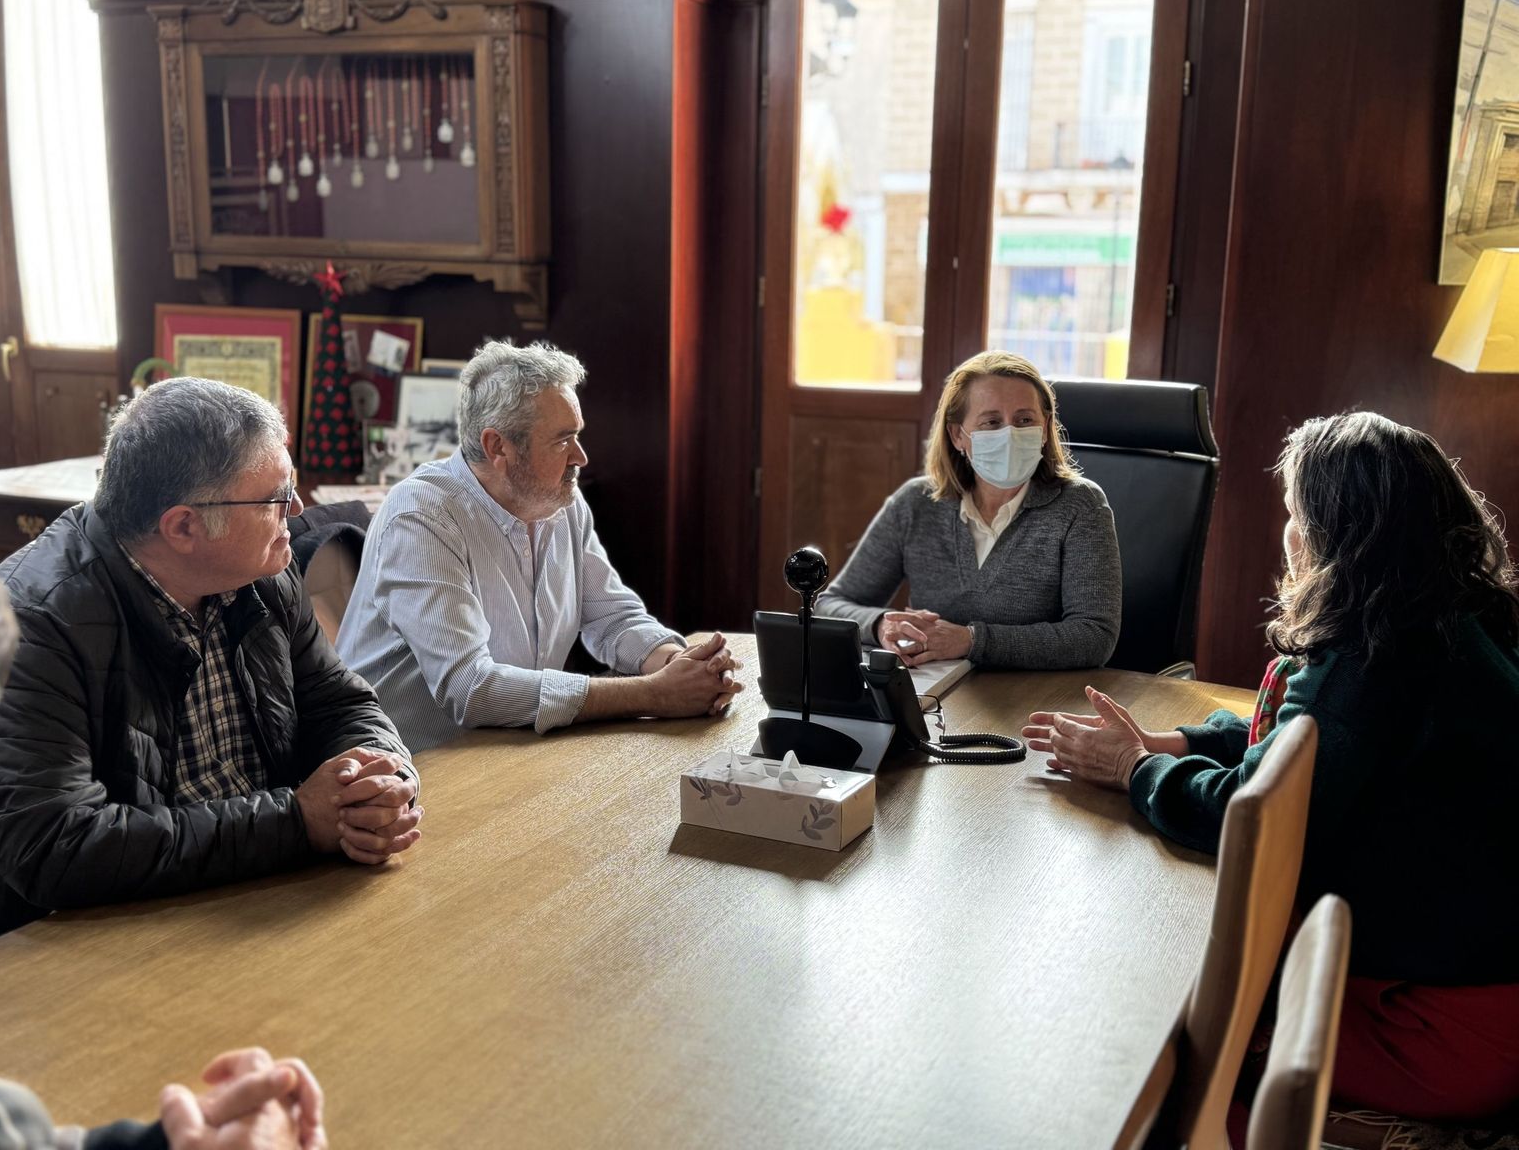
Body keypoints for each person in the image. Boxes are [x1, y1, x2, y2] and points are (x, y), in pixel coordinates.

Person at [1024, 411, 1519, 1123]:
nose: (1285, 533)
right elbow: (1302, 739)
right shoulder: (1439, 619)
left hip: (1438, 1029)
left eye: (1294, 515)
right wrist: (1181, 744)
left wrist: (1136, 767)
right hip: (1476, 992)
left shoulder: (1370, 656)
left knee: (1162, 1049)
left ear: (1339, 531)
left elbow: (1254, 817)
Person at [0, 378, 421, 969]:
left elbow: (339, 702)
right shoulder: (31, 621)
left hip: (244, 902)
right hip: (54, 948)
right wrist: (296, 822)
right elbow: (53, 844)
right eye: (276, 497)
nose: (298, 511)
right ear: (183, 527)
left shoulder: (260, 568)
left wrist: (380, 777)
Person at [0, 521, 327, 1148]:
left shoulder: (262, 580)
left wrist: (167, 1142)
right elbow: (54, 840)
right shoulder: (47, 608)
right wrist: (298, 820)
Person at [338, 340, 742, 749]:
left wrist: (679, 666)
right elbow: (472, 690)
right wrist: (654, 693)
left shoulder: (560, 502)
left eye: (577, 436)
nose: (581, 457)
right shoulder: (422, 517)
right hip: (406, 771)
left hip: (506, 752)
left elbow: (613, 618)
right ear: (498, 446)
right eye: (563, 440)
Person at [817, 351, 1121, 670]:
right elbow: (830, 605)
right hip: (936, 694)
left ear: (1045, 428)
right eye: (991, 422)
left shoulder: (1079, 505)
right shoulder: (916, 503)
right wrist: (881, 625)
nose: (1009, 434)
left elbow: (1095, 637)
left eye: (1024, 420)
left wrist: (971, 641)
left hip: (1034, 699)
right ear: (958, 435)